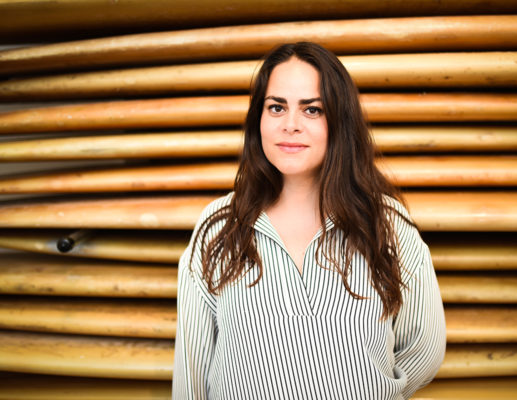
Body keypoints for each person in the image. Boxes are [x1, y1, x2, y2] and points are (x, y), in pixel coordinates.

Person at [173, 42, 445, 399]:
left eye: (312, 110)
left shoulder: (387, 224)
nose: (290, 125)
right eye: (276, 107)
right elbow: (192, 371)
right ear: (259, 118)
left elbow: (423, 351)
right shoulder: (220, 227)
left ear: (340, 121)